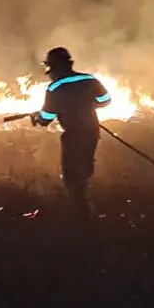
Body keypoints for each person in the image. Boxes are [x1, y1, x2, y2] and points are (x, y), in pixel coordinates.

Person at [30, 47, 111, 220]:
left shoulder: (55, 88)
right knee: (84, 167)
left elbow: (46, 118)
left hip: (73, 135)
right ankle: (84, 206)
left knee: (72, 176)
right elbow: (106, 100)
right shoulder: (89, 79)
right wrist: (88, 106)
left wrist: (37, 117)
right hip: (92, 131)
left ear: (54, 67)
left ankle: (81, 215)